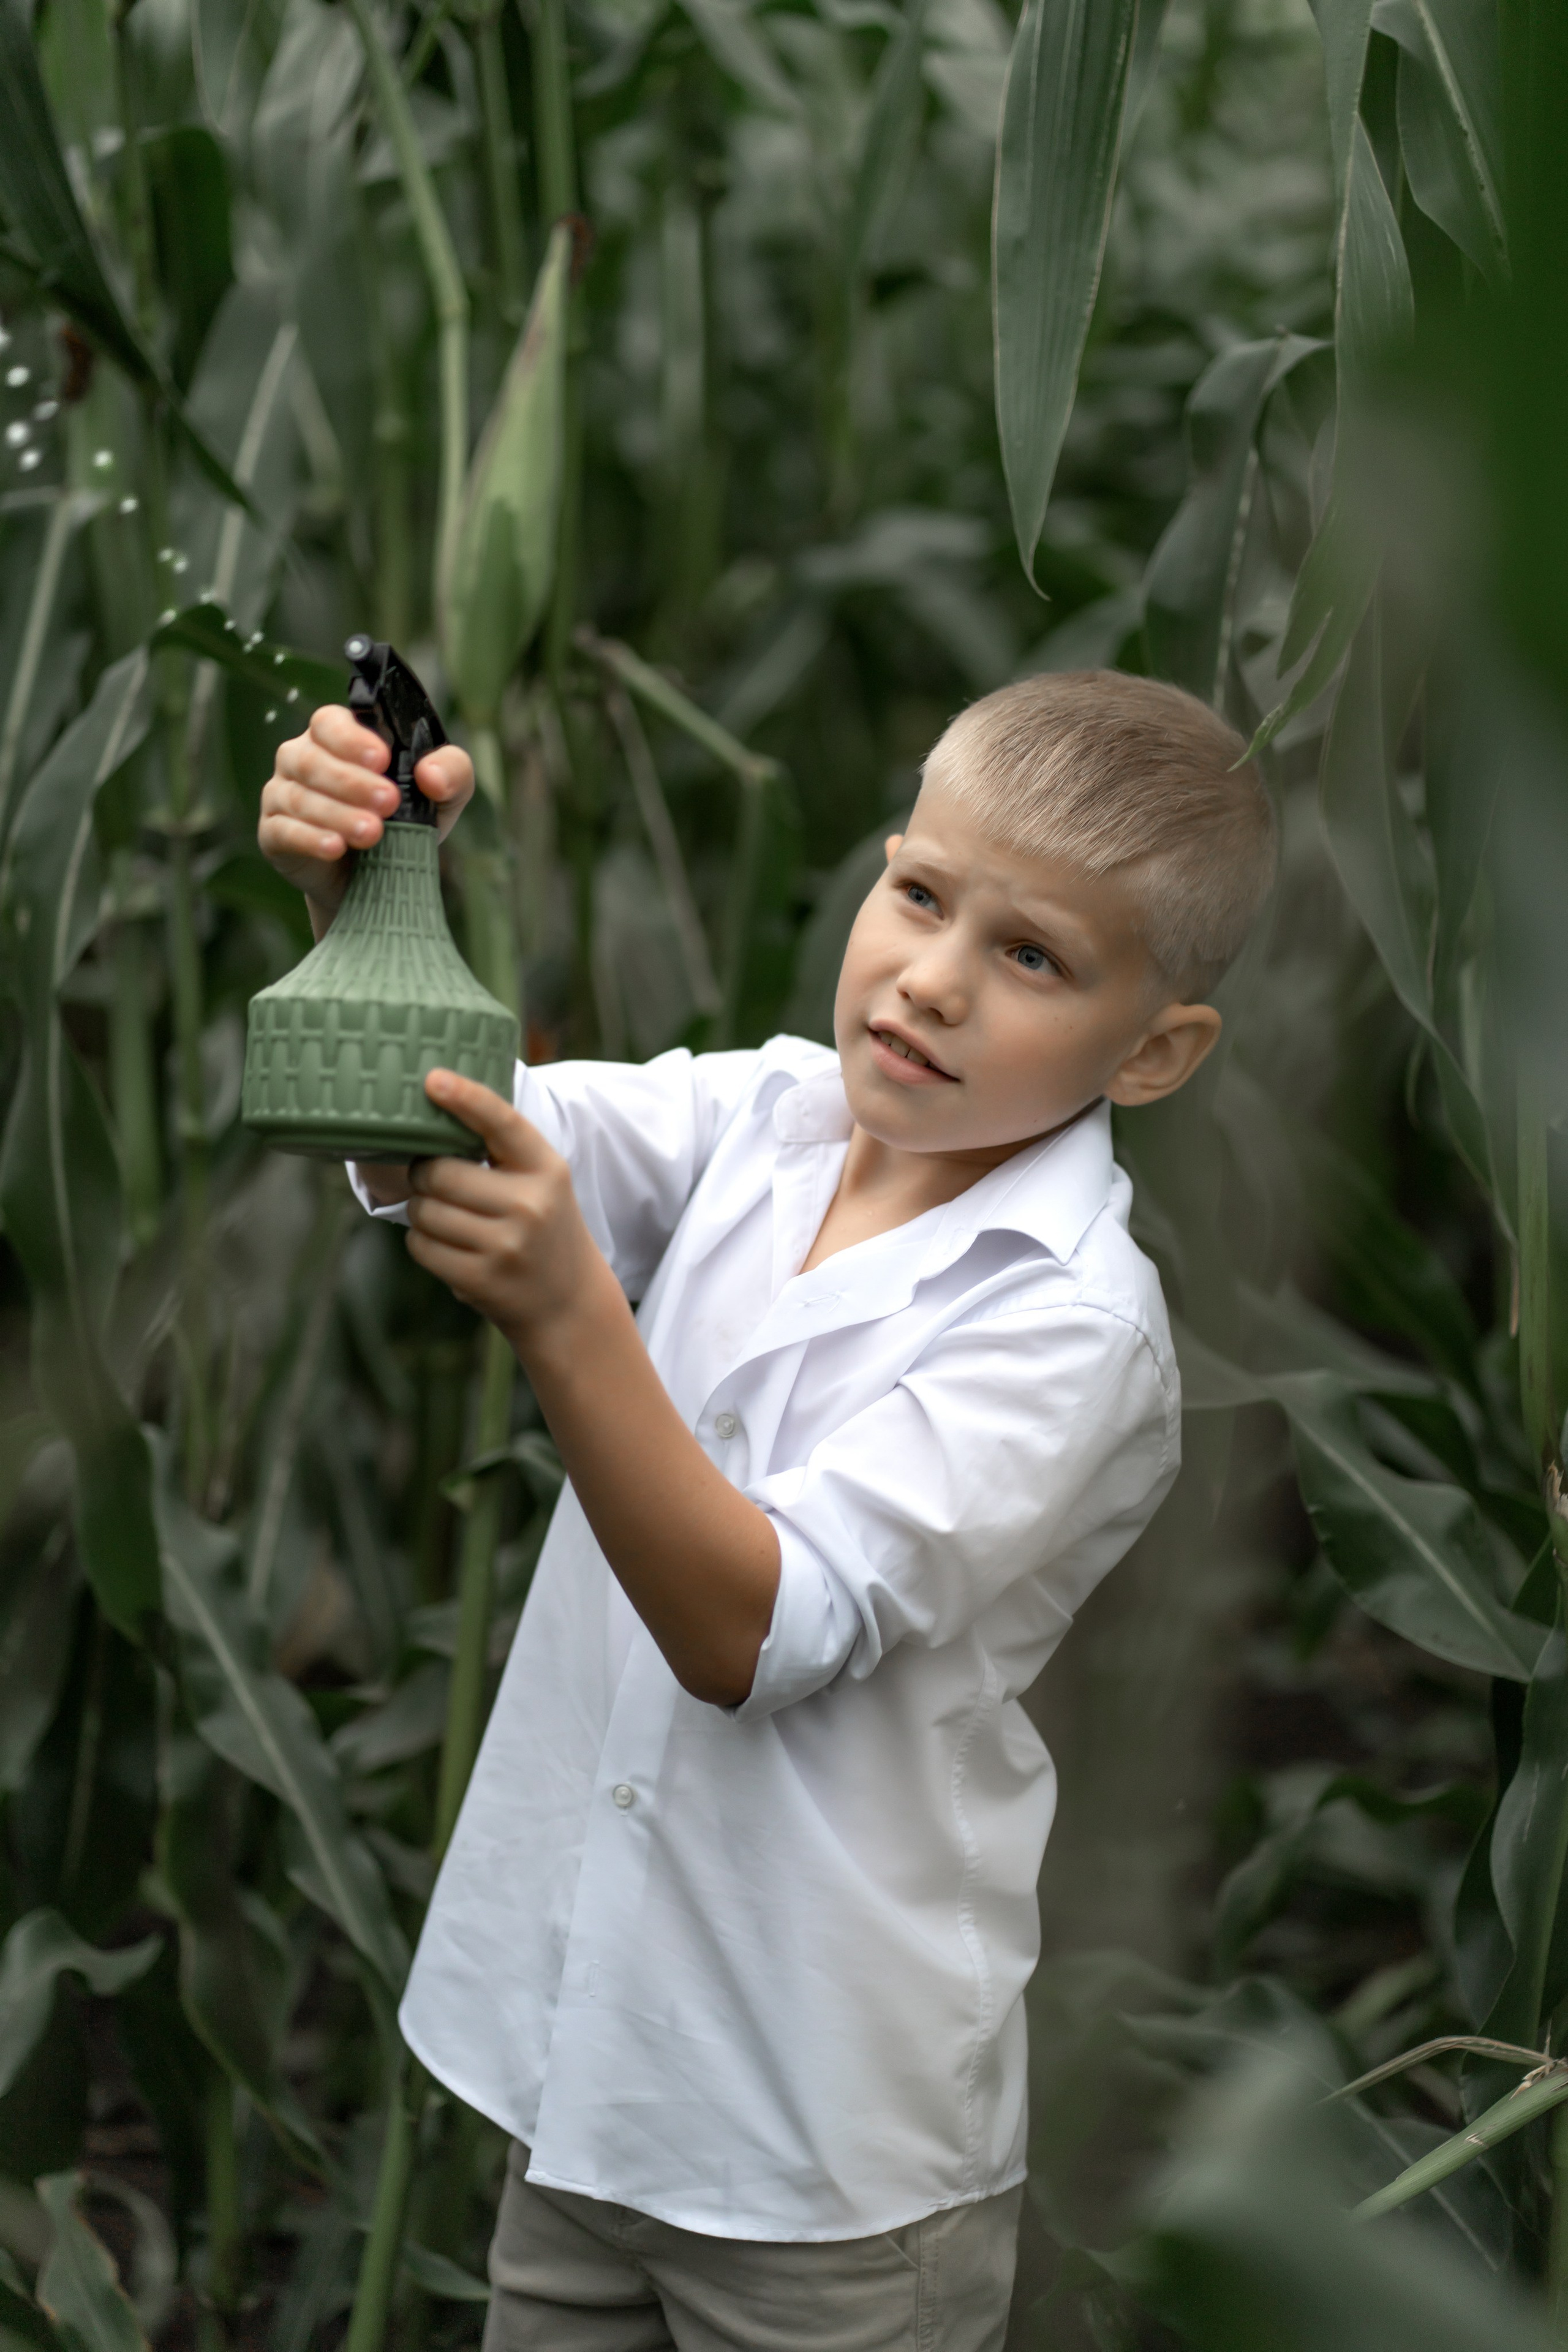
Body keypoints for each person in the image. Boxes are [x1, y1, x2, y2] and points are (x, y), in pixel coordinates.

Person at [258, 671, 1275, 2352]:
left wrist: (571, 1313)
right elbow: (461, 1125)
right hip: (586, 2069)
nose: (934, 982)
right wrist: (368, 899)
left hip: (824, 2170)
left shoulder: (1072, 1330)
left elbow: (755, 1628)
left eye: (1032, 958)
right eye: (923, 897)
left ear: (1157, 1052)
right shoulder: (766, 1113)